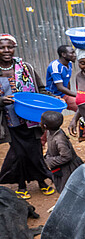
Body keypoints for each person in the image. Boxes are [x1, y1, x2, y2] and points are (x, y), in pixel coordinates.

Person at [0, 34, 53, 199]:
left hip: (30, 119)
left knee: (35, 151)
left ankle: (41, 182)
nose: (6, 50)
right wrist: (1, 100)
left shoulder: (25, 67)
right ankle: (22, 185)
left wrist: (50, 99)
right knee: (19, 154)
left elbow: (41, 89)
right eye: (2, 47)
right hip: (10, 121)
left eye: (10, 47)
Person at [41, 111, 82, 193]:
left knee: (68, 190)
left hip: (68, 169)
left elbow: (66, 156)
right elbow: (51, 148)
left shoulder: (59, 139)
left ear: (45, 126)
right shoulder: (50, 132)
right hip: (60, 167)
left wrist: (49, 161)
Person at [45, 44, 77, 111]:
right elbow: (60, 87)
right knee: (54, 117)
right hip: (52, 96)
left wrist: (69, 95)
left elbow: (67, 80)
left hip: (63, 95)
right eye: (72, 53)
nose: (75, 55)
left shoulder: (69, 64)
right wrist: (77, 95)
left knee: (81, 108)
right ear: (63, 54)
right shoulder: (55, 66)